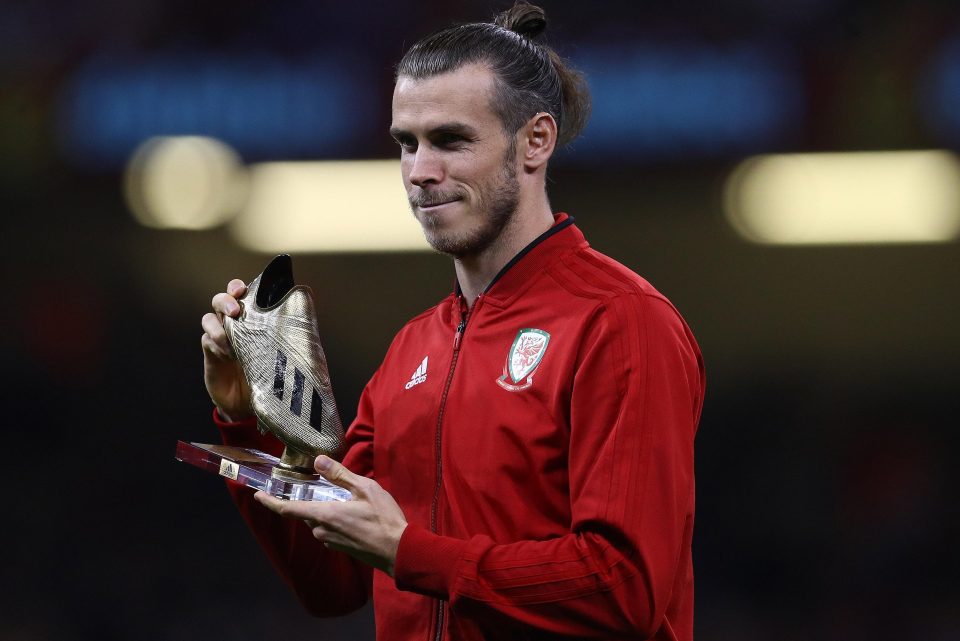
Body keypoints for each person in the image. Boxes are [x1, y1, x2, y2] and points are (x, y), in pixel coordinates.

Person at [200, 2, 705, 640]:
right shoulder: (414, 347)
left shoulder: (622, 323)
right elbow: (331, 582)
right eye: (405, 144)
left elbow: (622, 586)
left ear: (536, 141)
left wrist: (412, 553)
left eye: (450, 140)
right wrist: (251, 419)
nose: (419, 172)